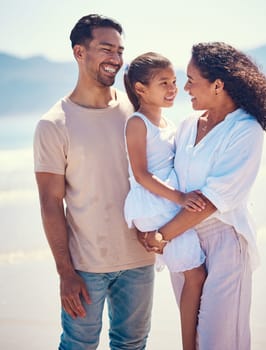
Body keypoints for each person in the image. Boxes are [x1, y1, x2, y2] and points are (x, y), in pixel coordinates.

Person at [140, 42, 266, 350]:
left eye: (191, 79)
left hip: (223, 241)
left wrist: (161, 236)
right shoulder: (189, 125)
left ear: (218, 84)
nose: (185, 87)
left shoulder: (246, 129)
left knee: (220, 341)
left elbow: (211, 199)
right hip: (184, 243)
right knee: (192, 341)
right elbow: (165, 174)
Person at [33, 14, 155, 350]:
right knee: (78, 345)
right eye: (106, 49)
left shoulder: (138, 110)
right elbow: (49, 204)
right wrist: (65, 273)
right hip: (85, 266)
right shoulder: (54, 124)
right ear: (79, 52)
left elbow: (162, 171)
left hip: (140, 258)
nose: (116, 59)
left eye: (119, 50)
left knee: (133, 344)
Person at [123, 52, 207, 350]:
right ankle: (189, 345)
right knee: (195, 275)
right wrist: (181, 197)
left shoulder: (169, 123)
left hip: (165, 201)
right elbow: (141, 174)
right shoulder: (137, 123)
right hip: (153, 203)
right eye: (163, 83)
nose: (173, 88)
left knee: (194, 275)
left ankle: (193, 340)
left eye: (174, 81)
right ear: (140, 89)